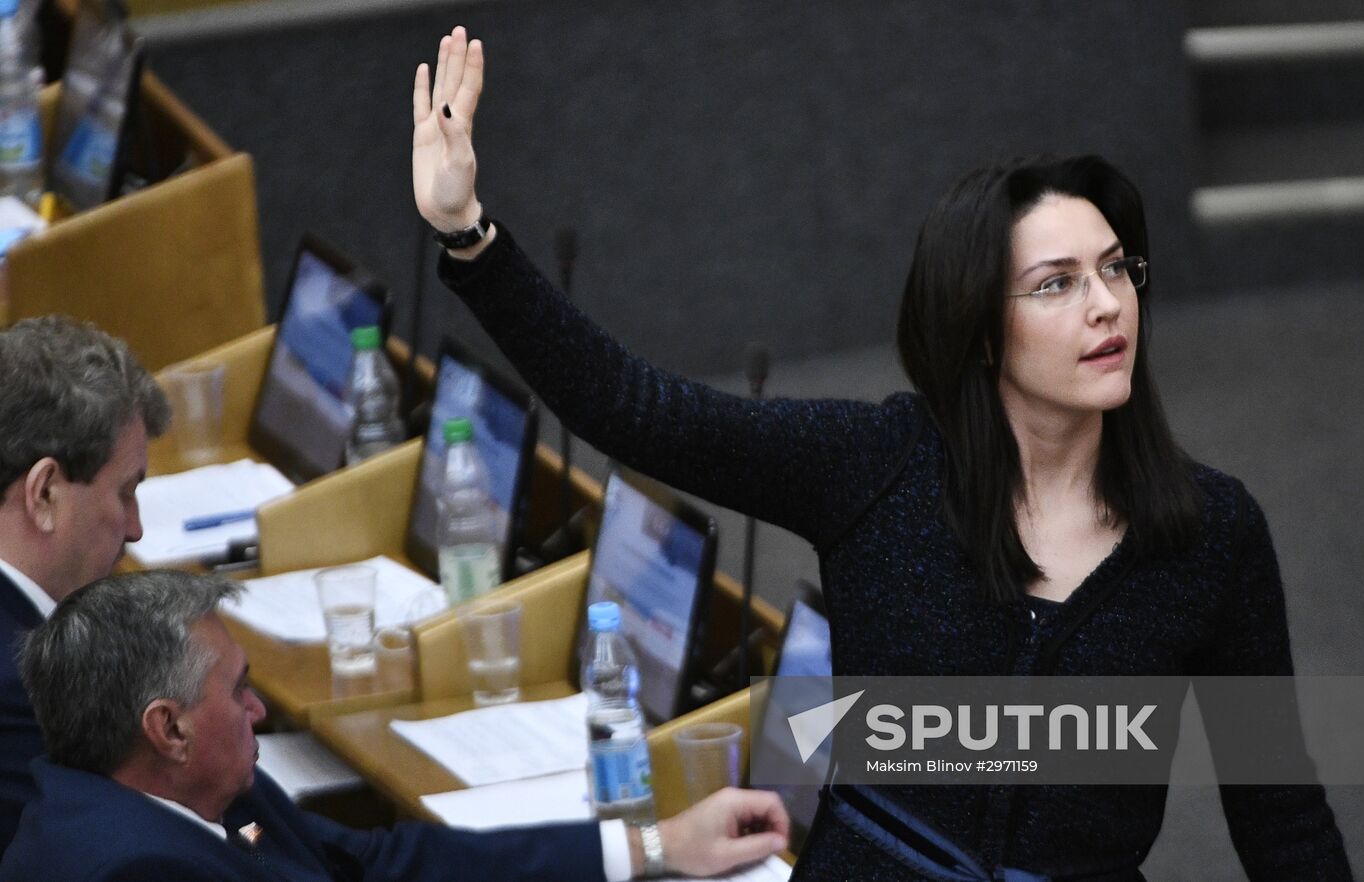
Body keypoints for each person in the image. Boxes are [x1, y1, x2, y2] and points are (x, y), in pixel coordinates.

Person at [410, 26, 1354, 881]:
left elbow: (1281, 816)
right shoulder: (879, 466)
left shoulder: (1211, 531)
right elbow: (640, 410)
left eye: (1116, 269)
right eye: (1058, 284)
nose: (1107, 305)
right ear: (981, 332)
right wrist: (471, 237)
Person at [1, 569, 789, 881]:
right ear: (167, 727)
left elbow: (380, 861)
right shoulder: (132, 871)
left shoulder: (182, 789)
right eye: (237, 690)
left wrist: (656, 846)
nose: (259, 709)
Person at [0, 315, 169, 853]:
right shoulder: (28, 689)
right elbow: (169, 845)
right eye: (125, 492)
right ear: (45, 494)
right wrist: (263, 848)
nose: (136, 528)